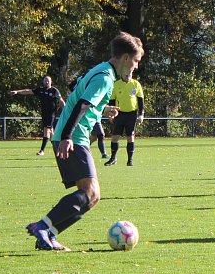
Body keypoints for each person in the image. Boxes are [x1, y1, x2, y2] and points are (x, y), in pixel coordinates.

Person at [25, 32, 143, 251]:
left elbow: (77, 93)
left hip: (72, 135)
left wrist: (104, 108)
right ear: (126, 58)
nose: (135, 67)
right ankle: (42, 226)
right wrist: (68, 136)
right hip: (73, 137)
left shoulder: (100, 69)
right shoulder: (105, 77)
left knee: (92, 196)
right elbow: (81, 104)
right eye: (136, 62)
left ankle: (48, 234)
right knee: (91, 193)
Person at [9, 76, 65, 155]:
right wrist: (17, 92)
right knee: (52, 132)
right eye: (45, 81)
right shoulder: (40, 90)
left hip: (51, 114)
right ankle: (59, 149)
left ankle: (42, 151)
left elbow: (61, 101)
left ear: (51, 82)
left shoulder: (54, 91)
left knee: (46, 130)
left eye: (48, 81)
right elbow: (28, 91)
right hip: (44, 114)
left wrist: (66, 110)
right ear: (43, 82)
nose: (47, 82)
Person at [104, 73, 145, 167]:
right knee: (115, 136)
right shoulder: (116, 84)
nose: (128, 76)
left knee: (130, 136)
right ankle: (113, 158)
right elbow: (112, 101)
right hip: (119, 113)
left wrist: (141, 114)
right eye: (126, 74)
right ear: (122, 75)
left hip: (132, 114)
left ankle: (130, 160)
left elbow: (140, 100)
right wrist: (111, 114)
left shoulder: (136, 84)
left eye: (129, 74)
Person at [69, 77, 109, 159]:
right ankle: (103, 153)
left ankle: (85, 148)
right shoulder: (85, 79)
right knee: (99, 134)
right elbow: (71, 86)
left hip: (93, 113)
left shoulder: (94, 80)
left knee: (95, 136)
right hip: (86, 113)